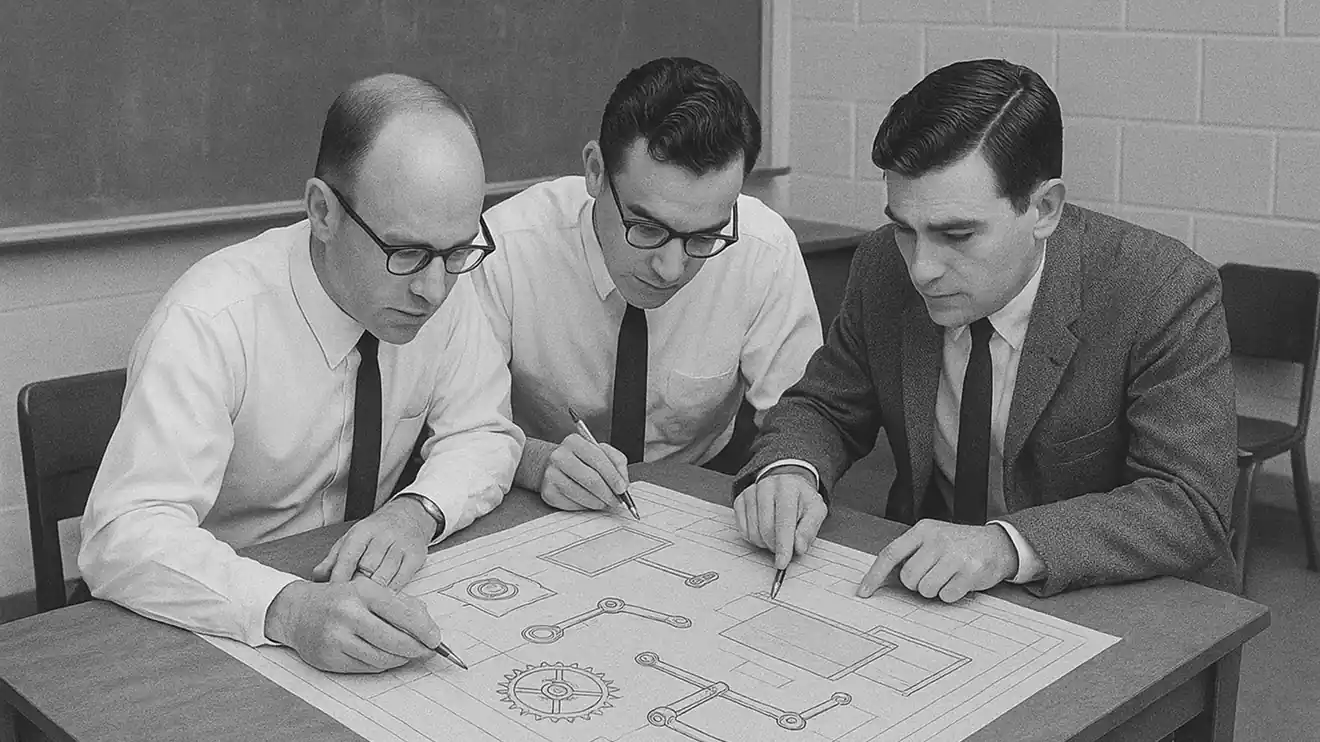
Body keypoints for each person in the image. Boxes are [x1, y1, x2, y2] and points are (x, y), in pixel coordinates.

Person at [732, 59, 1237, 601]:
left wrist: (1004, 546)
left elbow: (1187, 502)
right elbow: (827, 407)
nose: (922, 268)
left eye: (957, 234)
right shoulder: (884, 264)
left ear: (1044, 208)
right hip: (933, 589)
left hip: (1108, 598)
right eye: (905, 228)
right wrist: (792, 469)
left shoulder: (1160, 288)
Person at [78, 74, 524, 673]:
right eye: (406, 253)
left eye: (457, 252)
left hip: (358, 609)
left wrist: (416, 512)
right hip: (214, 623)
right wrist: (286, 609)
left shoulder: (443, 285)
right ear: (322, 211)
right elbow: (124, 535)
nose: (433, 288)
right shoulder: (212, 320)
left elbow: (484, 434)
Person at [471, 57, 821, 514]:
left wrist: (788, 471)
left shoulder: (762, 249)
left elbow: (802, 409)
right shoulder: (505, 250)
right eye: (647, 228)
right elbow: (458, 423)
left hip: (698, 492)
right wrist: (532, 460)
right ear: (596, 171)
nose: (671, 268)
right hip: (535, 497)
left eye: (703, 236)